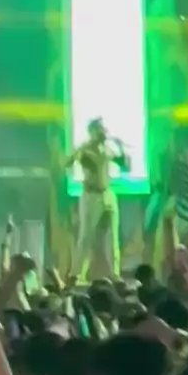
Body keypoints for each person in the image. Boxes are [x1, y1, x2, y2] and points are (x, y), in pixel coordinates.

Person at [67, 118, 129, 279]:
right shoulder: (85, 149)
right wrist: (77, 156)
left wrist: (121, 148)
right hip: (91, 196)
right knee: (86, 237)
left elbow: (125, 166)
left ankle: (115, 274)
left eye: (104, 128)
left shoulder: (107, 149)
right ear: (92, 131)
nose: (104, 132)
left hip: (108, 194)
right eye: (100, 129)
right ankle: (75, 275)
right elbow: (68, 162)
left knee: (112, 237)